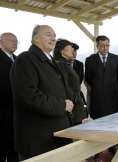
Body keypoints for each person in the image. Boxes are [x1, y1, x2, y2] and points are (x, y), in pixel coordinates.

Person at [10, 25, 74, 161]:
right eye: (48, 34)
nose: (53, 38)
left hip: (55, 136)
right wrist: (61, 105)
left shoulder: (50, 60)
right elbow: (27, 96)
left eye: (55, 35)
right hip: (38, 140)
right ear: (36, 38)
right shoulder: (25, 59)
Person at [85, 35, 118, 159]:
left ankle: (112, 146)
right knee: (98, 124)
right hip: (98, 99)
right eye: (102, 46)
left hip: (113, 98)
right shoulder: (90, 60)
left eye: (107, 45)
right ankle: (97, 148)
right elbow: (88, 79)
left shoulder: (116, 59)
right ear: (97, 46)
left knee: (112, 123)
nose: (105, 48)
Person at [53, 39, 87, 125]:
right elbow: (64, 85)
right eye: (69, 47)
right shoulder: (61, 64)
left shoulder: (66, 64)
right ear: (61, 50)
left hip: (76, 106)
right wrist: (75, 98)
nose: (72, 50)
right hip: (72, 107)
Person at [0, 33, 19, 162]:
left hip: (16, 114)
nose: (15, 43)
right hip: (2, 112)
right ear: (1, 42)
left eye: (17, 41)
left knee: (15, 151)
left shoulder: (18, 59)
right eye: (12, 40)